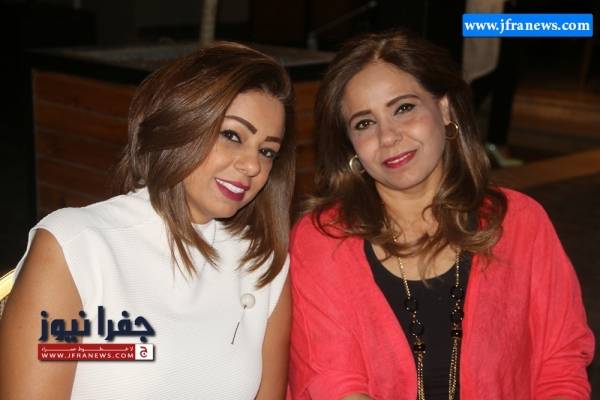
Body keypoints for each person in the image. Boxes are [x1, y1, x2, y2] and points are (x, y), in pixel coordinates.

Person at [288, 31, 594, 399]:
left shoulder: (522, 223)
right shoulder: (322, 240)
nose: (388, 136)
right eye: (364, 123)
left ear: (445, 109)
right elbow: (334, 383)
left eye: (403, 108)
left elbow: (560, 366)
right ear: (350, 144)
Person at [0, 42, 295, 399]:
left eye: (267, 151)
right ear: (180, 123)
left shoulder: (262, 264)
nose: (252, 165)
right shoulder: (76, 247)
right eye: (232, 135)